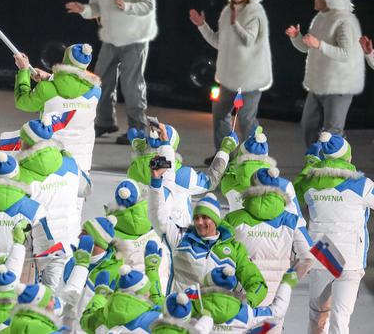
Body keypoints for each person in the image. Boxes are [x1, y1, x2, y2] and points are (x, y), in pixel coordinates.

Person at [65, 0, 157, 144]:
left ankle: (138, 129)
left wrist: (126, 6)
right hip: (111, 36)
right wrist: (84, 10)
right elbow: (98, 5)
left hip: (134, 38)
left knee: (131, 85)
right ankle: (105, 122)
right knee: (100, 81)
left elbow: (148, 5)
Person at [148, 145, 268, 306]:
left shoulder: (234, 249)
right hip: (183, 316)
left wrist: (245, 305)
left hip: (215, 321)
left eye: (205, 218)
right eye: (196, 217)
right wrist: (156, 183)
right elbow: (158, 216)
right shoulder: (180, 239)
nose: (199, 222)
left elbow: (257, 283)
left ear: (216, 220)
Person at [189, 0, 272, 164]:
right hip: (228, 76)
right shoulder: (228, 11)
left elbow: (248, 41)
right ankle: (224, 155)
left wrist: (235, 24)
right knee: (220, 115)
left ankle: (254, 158)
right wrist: (202, 26)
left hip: (250, 78)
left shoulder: (255, 12)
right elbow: (220, 42)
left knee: (245, 119)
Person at [293, 132, 374, 334]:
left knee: (318, 318)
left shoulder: (309, 184)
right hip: (350, 261)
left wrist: (308, 166)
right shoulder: (363, 185)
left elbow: (291, 200)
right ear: (348, 157)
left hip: (323, 255)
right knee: (340, 319)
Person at [286, 0, 365, 147]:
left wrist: (319, 44)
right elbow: (308, 47)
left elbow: (347, 54)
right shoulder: (320, 19)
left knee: (332, 134)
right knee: (308, 125)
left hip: (339, 86)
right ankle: (315, 163)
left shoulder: (345, 21)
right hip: (319, 84)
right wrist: (296, 37)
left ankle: (332, 170)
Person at [224, 166, 313, 319]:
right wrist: (288, 283)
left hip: (243, 293)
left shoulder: (232, 219)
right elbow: (309, 258)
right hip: (276, 296)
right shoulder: (292, 220)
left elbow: (219, 253)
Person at [15, 115, 86, 288]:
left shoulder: (21, 173)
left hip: (46, 247)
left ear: (26, 143)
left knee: (46, 300)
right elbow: (85, 189)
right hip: (71, 239)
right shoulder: (69, 163)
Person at [13, 43, 101, 174]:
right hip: (82, 162)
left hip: (51, 160)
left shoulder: (46, 89)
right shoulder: (96, 91)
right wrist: (50, 77)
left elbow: (22, 102)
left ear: (65, 60)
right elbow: (72, 86)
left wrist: (23, 71)